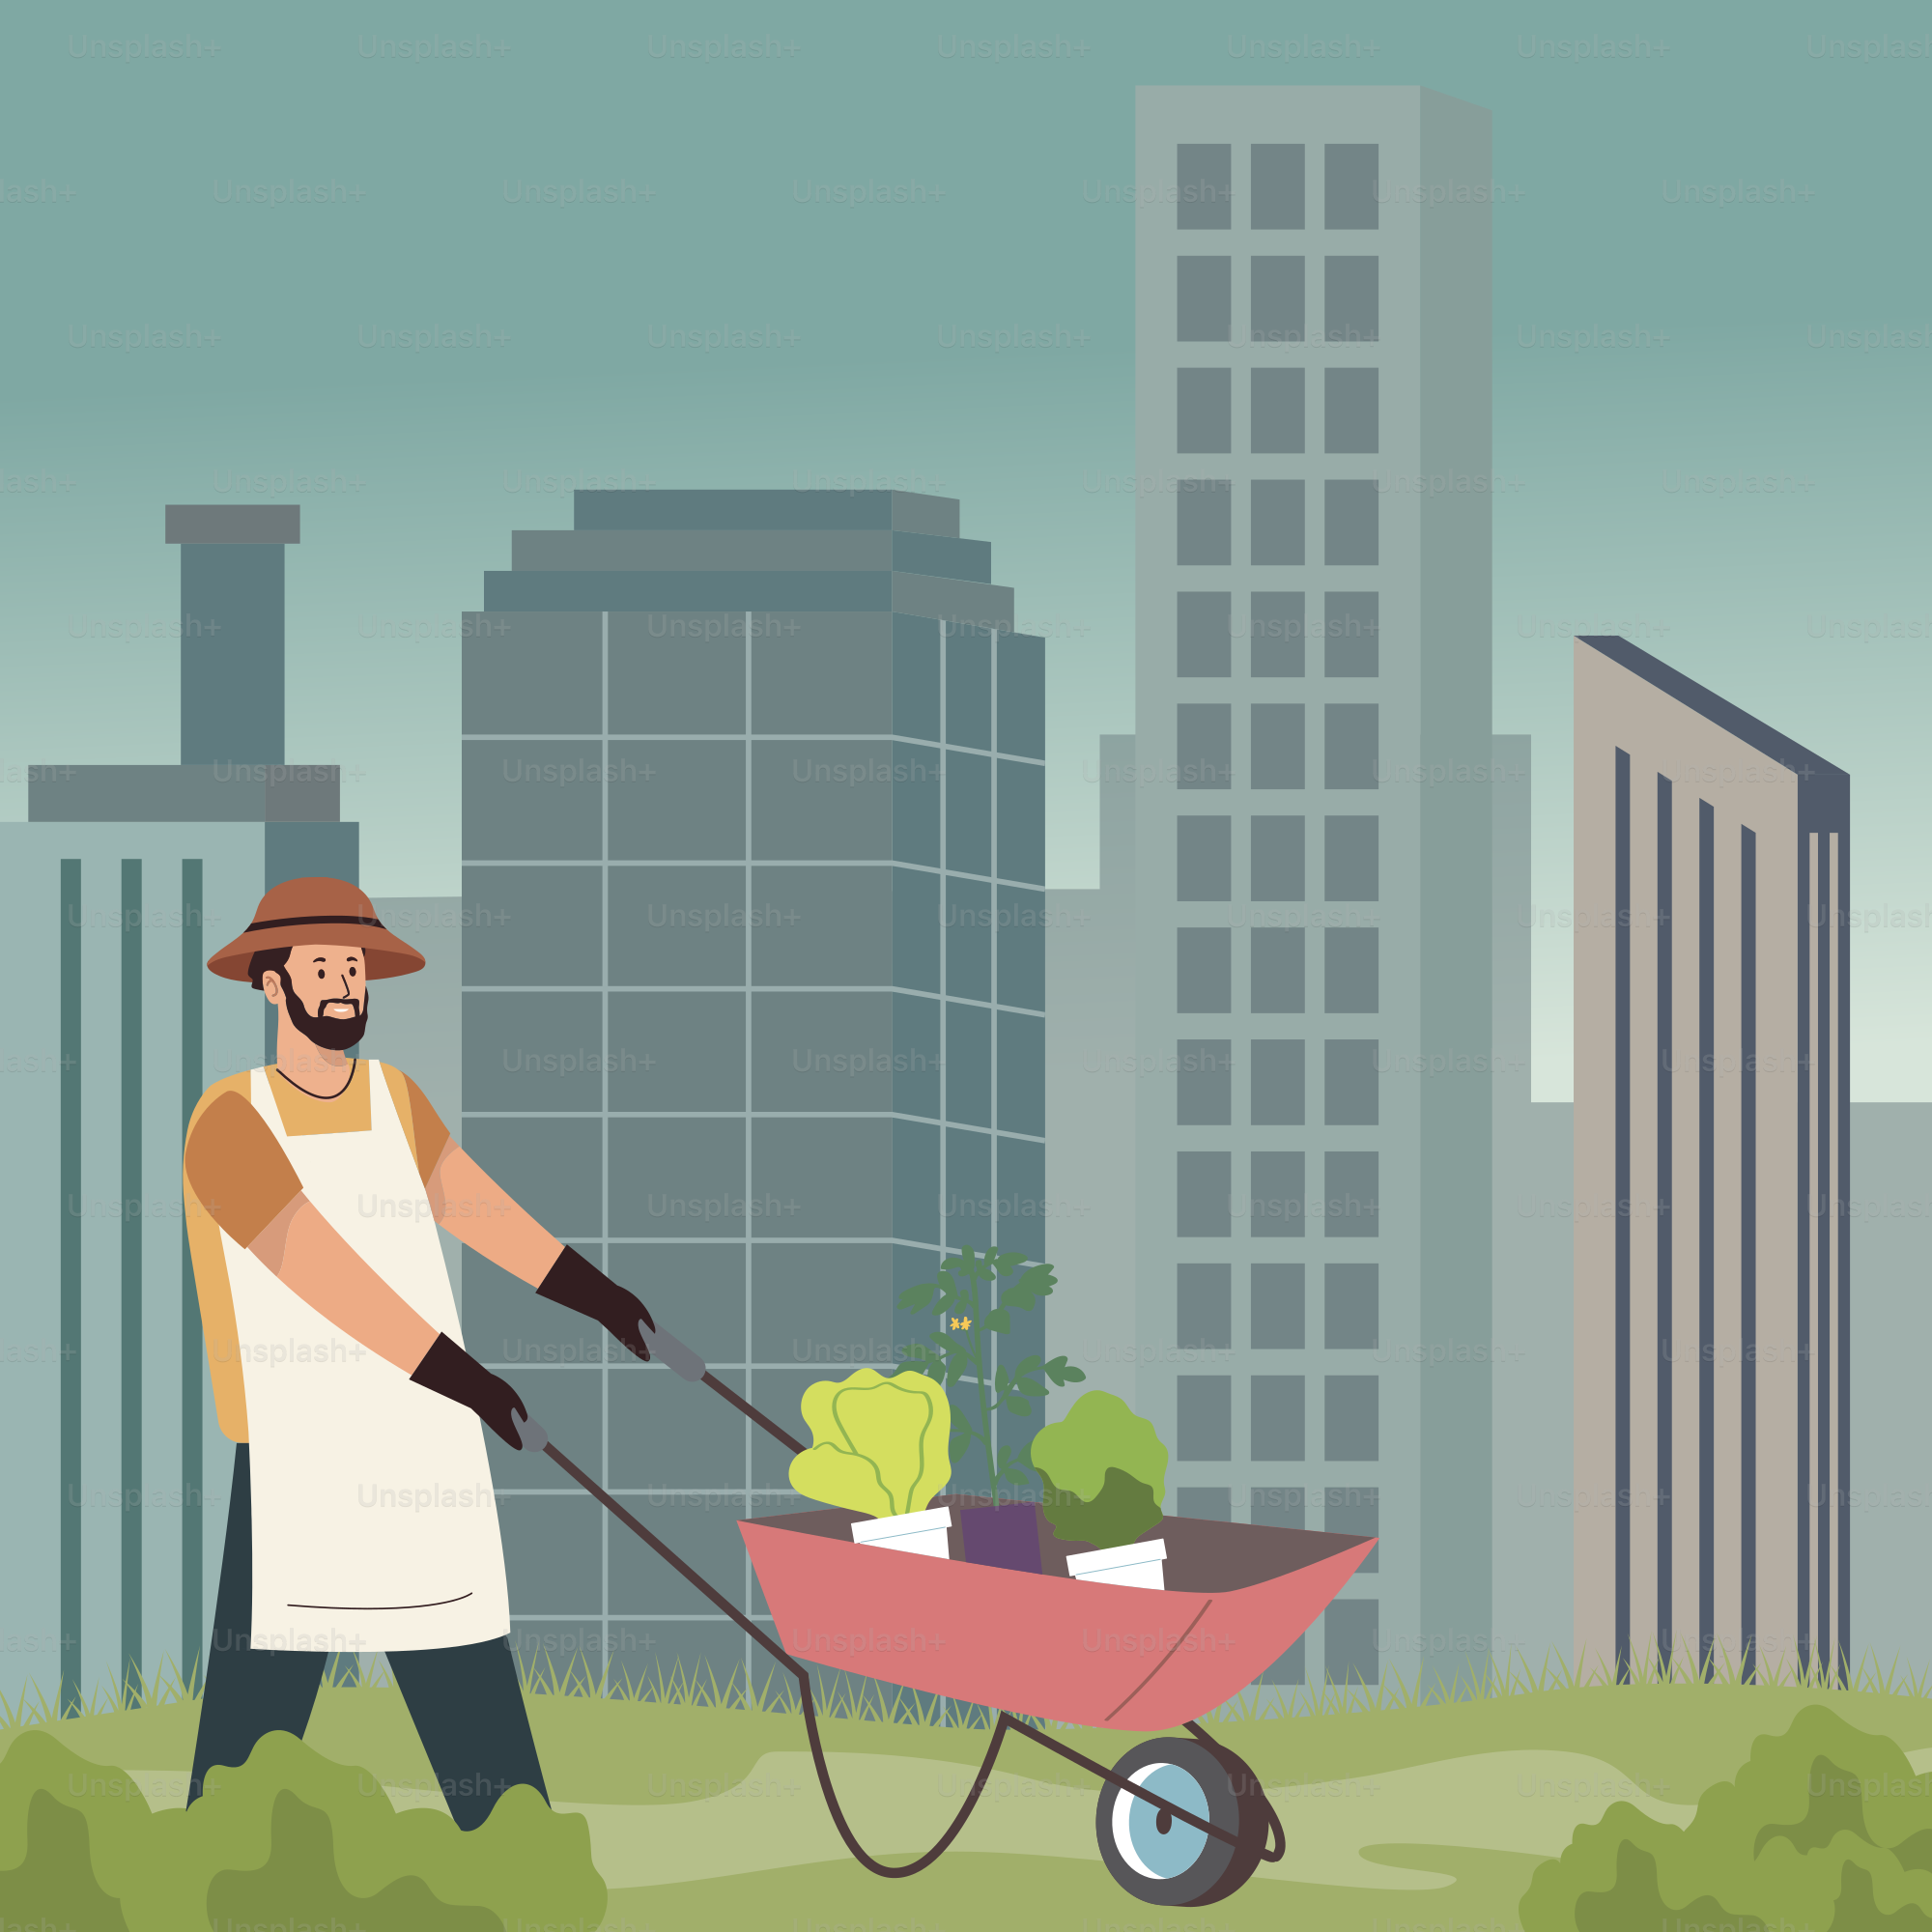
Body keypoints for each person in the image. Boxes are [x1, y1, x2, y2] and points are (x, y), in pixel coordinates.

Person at [182, 876, 654, 1828]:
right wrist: (473, 1380)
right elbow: (324, 1274)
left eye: (353, 964)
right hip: (298, 1461)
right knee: (248, 1752)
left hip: (425, 1454)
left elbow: (481, 1210)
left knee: (477, 1718)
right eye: (321, 965)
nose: (345, 983)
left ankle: (525, 1875)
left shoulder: (397, 1098)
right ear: (272, 984)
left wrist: (601, 1298)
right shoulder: (228, 1121)